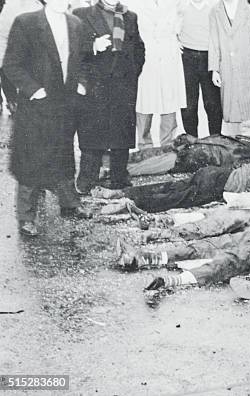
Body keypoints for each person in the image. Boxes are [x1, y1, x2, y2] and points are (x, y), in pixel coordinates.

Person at [3, 0, 92, 236]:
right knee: (31, 159)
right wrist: (34, 90)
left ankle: (69, 203)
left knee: (63, 153)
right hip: (37, 106)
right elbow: (11, 65)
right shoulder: (27, 23)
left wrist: (82, 84)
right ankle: (26, 217)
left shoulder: (76, 24)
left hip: (66, 103)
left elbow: (84, 60)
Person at [73, 0, 145, 192]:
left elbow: (139, 48)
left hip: (123, 86)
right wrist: (92, 45)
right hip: (95, 86)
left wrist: (132, 73)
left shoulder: (130, 16)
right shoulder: (81, 14)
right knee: (92, 136)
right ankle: (86, 181)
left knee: (121, 136)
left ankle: (119, 179)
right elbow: (72, 47)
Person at [208, 0, 250, 136]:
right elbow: (213, 40)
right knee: (231, 110)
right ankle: (234, 149)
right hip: (228, 68)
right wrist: (215, 69)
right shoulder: (214, 11)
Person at [132, 0, 186, 149]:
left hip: (168, 55)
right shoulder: (135, 4)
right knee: (144, 102)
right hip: (146, 56)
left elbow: (184, 23)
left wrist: (180, 39)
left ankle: (168, 145)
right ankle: (144, 145)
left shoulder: (177, 3)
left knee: (169, 100)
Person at [178, 0, 223, 137]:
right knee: (189, 104)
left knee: (212, 103)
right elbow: (170, 27)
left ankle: (215, 140)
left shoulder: (214, 8)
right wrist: (175, 41)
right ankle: (192, 141)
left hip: (208, 57)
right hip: (187, 57)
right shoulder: (181, 7)